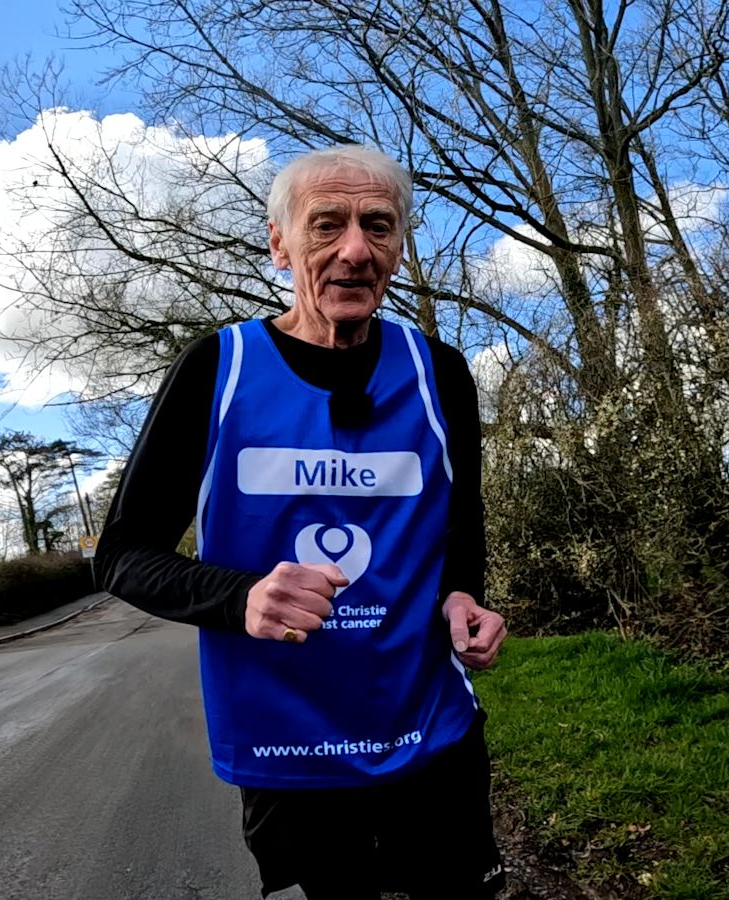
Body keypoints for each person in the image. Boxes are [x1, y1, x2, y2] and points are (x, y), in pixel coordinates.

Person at [97, 144, 508, 900]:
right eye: (327, 225)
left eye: (378, 226)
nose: (355, 249)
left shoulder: (439, 371)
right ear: (279, 243)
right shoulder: (217, 368)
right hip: (288, 742)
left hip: (430, 729)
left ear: (399, 245)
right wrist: (240, 596)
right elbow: (121, 554)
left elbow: (461, 518)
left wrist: (461, 593)